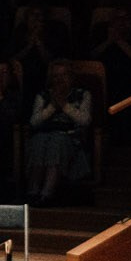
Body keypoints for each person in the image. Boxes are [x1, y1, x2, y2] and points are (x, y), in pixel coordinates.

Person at [23, 59, 94, 201]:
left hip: (70, 139)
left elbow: (85, 120)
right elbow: (34, 122)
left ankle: (47, 194)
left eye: (64, 75)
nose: (60, 80)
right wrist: (52, 107)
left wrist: (64, 105)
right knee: (39, 141)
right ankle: (33, 191)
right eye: (56, 76)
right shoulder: (43, 95)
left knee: (57, 141)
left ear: (71, 77)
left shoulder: (83, 94)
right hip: (44, 135)